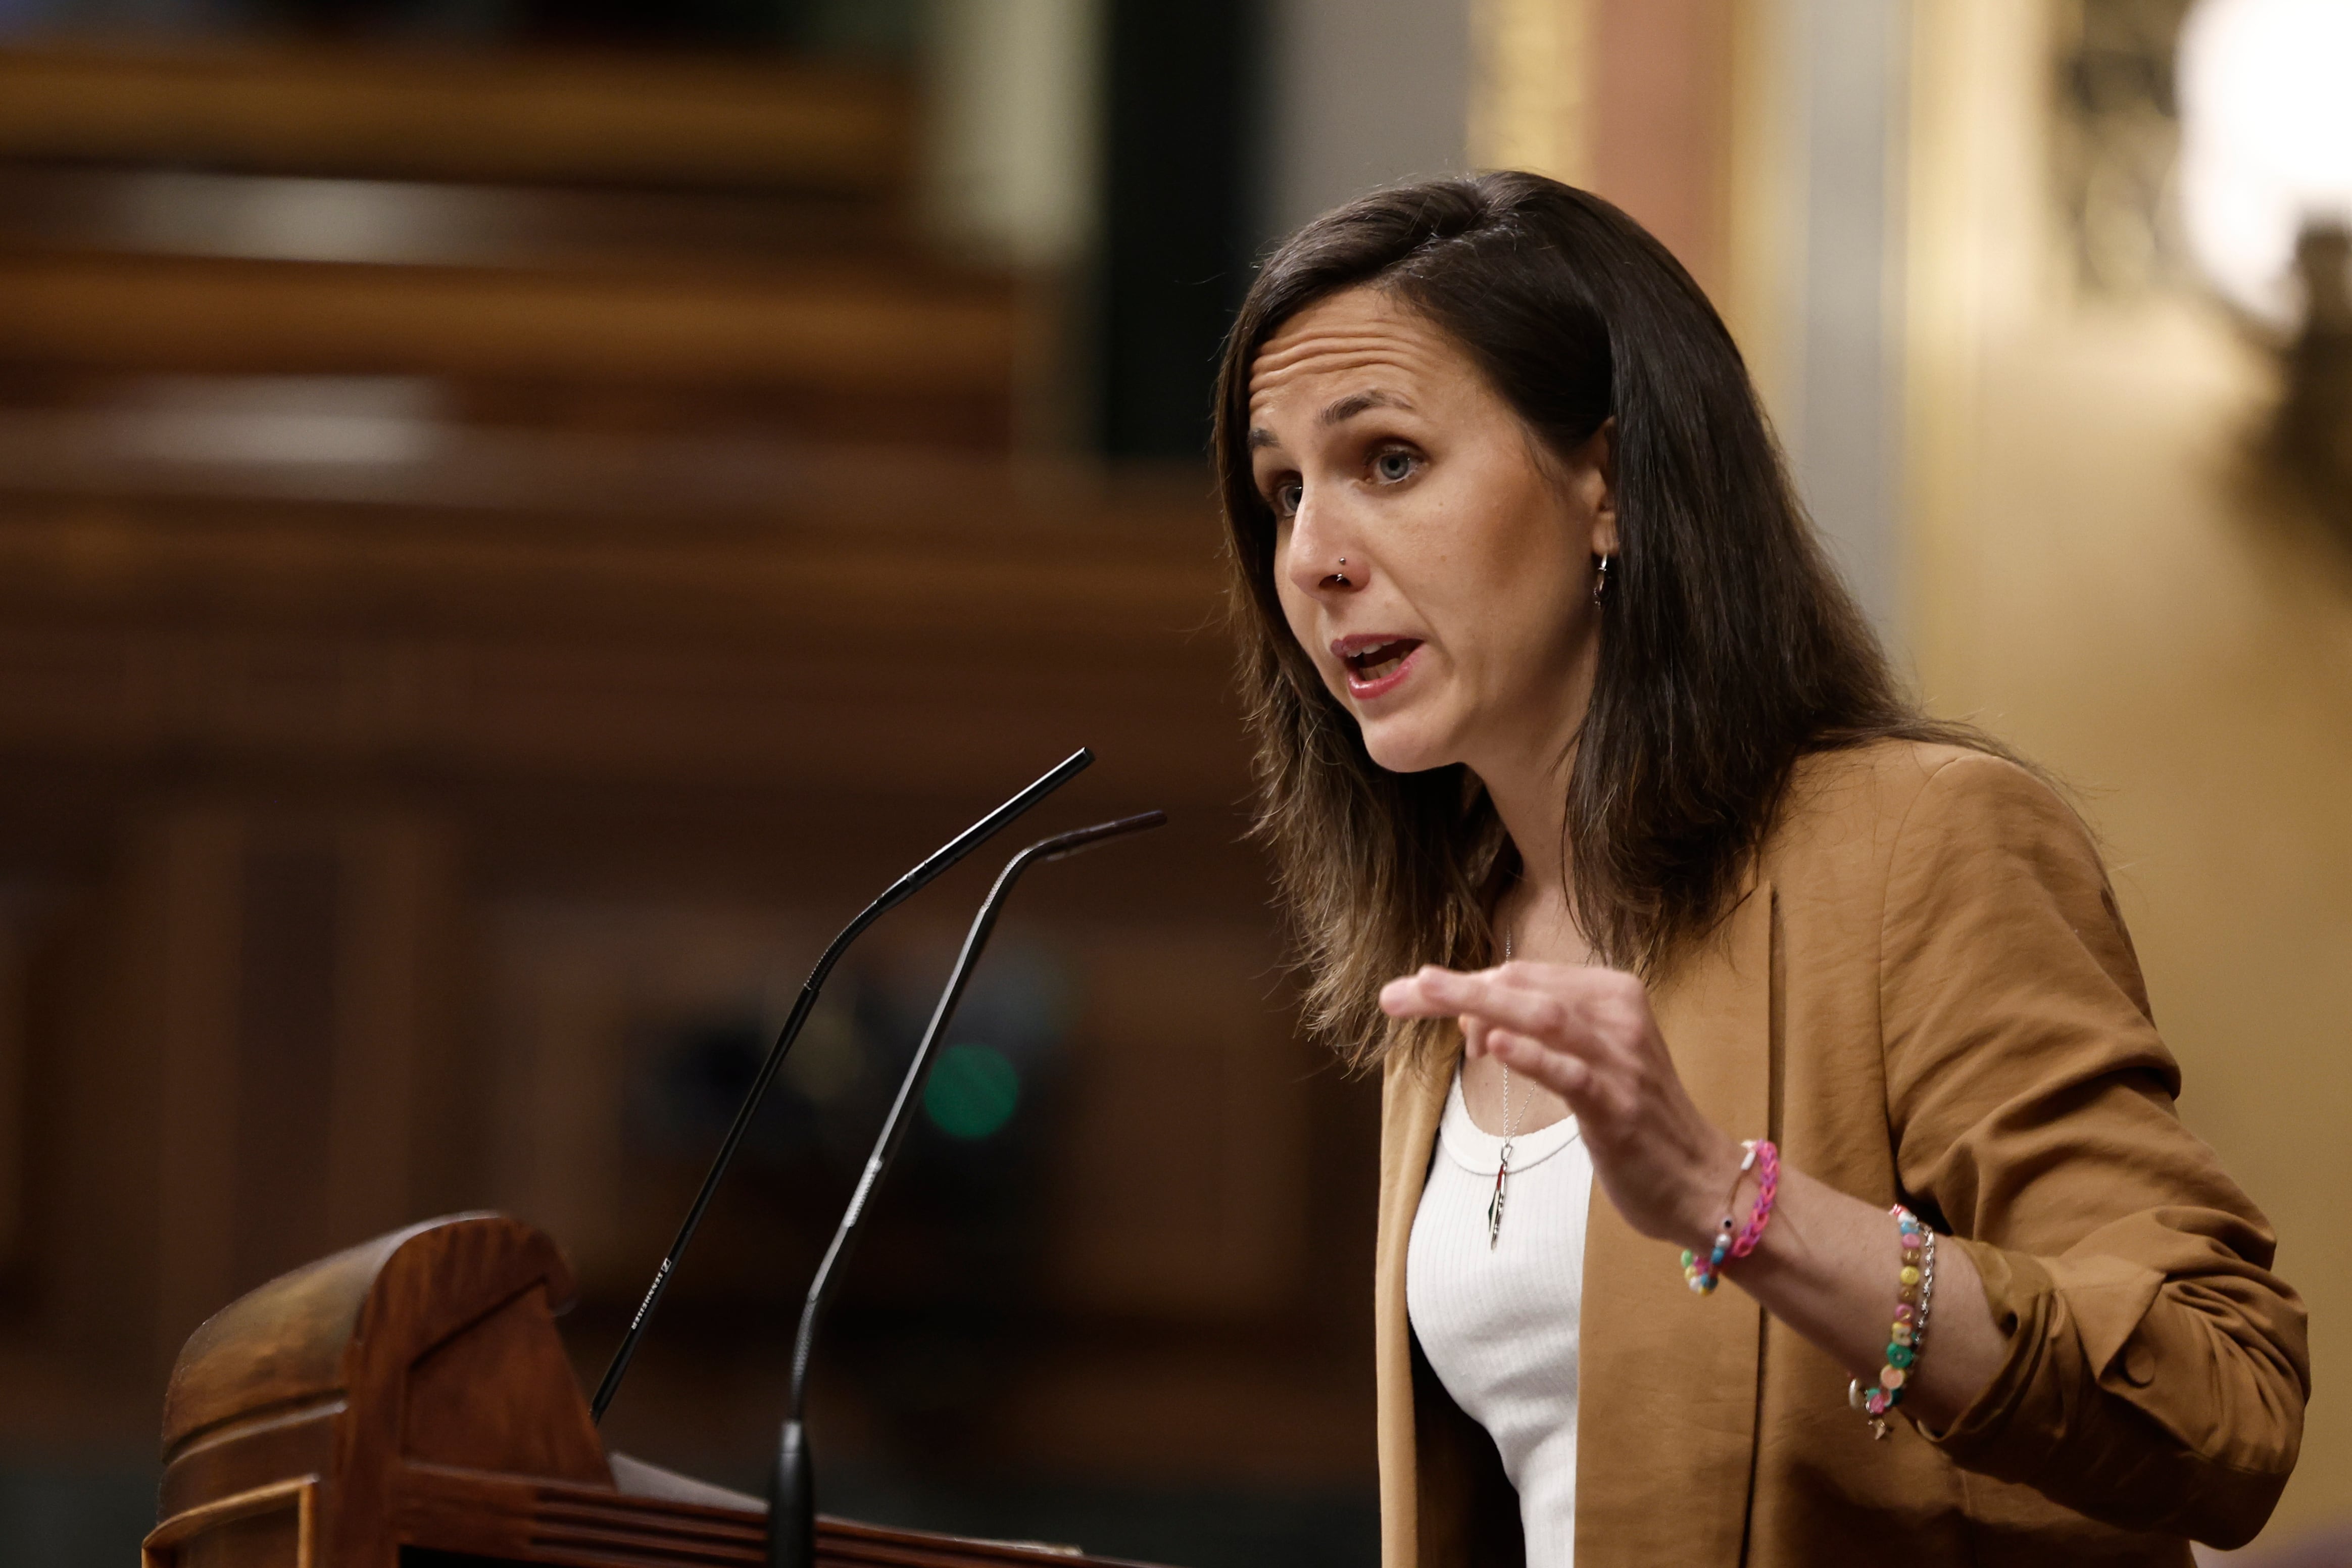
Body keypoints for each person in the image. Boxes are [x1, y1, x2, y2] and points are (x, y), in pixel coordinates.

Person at [1212, 172, 2307, 1567]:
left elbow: (2229, 1401)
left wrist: (1741, 1204)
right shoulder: (1459, 952)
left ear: (1604, 482)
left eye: (1388, 463)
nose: (1312, 556)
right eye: (1282, 491)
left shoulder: (1925, 849)